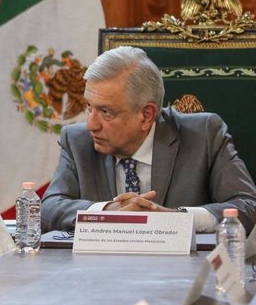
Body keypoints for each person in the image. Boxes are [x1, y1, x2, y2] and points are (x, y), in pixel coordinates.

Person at [41, 46, 256, 233]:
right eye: (89, 106)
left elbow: (248, 206)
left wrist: (175, 218)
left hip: (180, 272)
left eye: (106, 112)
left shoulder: (203, 135)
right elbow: (48, 209)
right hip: (101, 271)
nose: (91, 124)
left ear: (146, 115)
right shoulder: (78, 141)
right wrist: (108, 211)